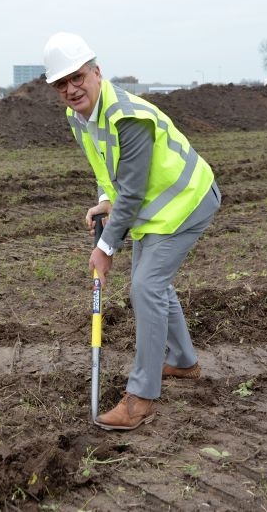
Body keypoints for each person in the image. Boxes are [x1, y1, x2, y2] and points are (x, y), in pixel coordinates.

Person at [43, 32, 221, 431]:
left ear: (96, 72)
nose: (71, 89)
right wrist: (106, 200)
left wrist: (106, 247)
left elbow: (135, 190)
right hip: (158, 212)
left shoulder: (128, 116)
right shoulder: (80, 118)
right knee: (152, 284)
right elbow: (108, 170)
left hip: (187, 200)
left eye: (78, 77)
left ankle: (141, 398)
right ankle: (182, 362)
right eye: (62, 84)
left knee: (145, 287)